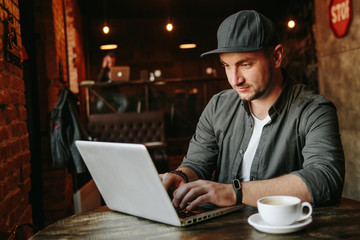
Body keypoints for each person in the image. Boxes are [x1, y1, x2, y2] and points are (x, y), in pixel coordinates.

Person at [160, 10, 345, 210]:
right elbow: (197, 164)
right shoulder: (218, 106)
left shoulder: (314, 110)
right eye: (226, 66)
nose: (234, 79)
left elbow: (326, 179)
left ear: (276, 57)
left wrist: (234, 192)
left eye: (245, 64)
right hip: (220, 229)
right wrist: (181, 176)